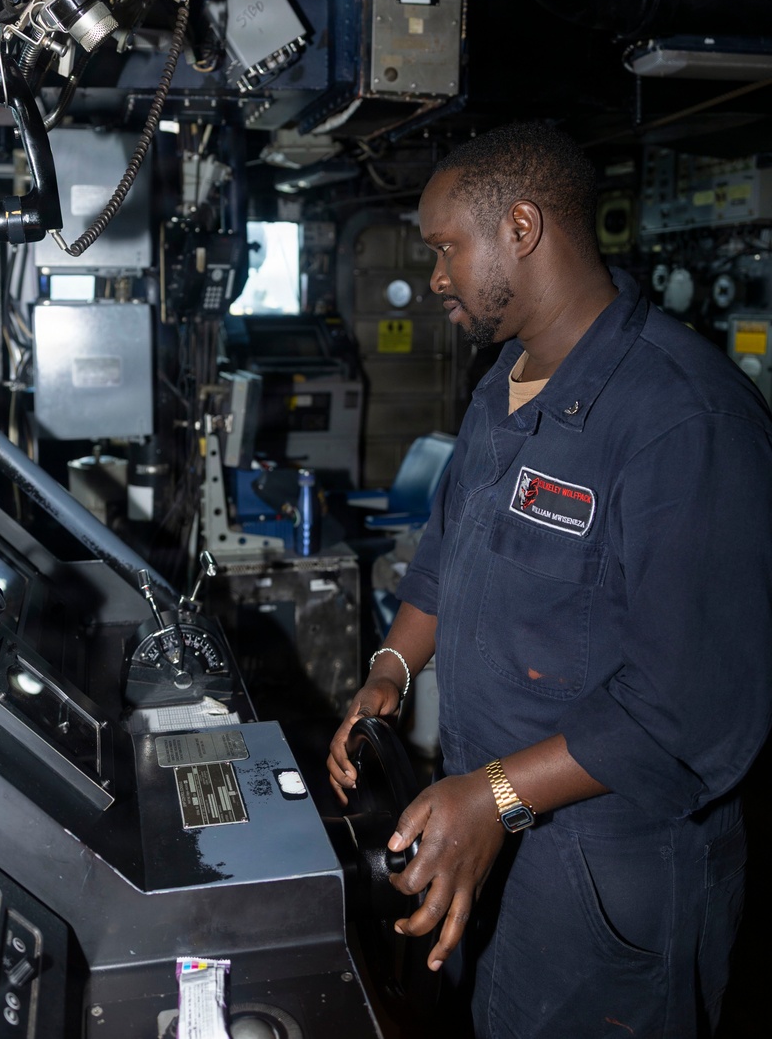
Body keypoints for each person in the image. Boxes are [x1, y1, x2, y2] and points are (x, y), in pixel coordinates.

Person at [328, 122, 772, 1038]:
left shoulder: (682, 420)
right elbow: (446, 559)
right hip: (493, 836)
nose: (438, 276)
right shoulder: (505, 385)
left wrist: (494, 795)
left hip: (610, 877)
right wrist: (391, 671)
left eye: (448, 248)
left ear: (521, 229)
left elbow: (695, 709)